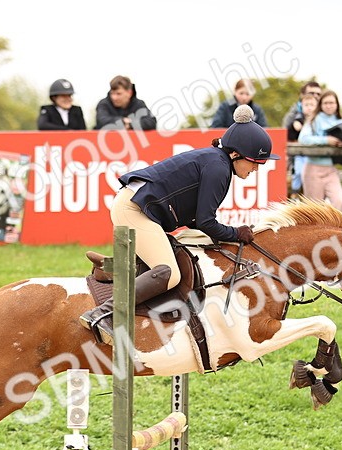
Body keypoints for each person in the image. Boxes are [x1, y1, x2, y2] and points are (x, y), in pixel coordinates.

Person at [78, 105, 277, 344]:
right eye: (254, 162)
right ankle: (103, 313)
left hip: (138, 207)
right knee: (168, 273)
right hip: (135, 210)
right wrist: (237, 233)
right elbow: (205, 221)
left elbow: (197, 220)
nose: (256, 169)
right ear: (235, 154)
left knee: (180, 252)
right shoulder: (218, 168)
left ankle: (115, 268)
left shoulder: (217, 161)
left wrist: (227, 233)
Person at [296, 90, 342, 213]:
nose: (329, 106)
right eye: (326, 103)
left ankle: (335, 232)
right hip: (313, 168)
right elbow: (303, 139)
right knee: (314, 211)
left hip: (331, 169)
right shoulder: (314, 120)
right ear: (321, 105)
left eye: (332, 103)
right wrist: (326, 140)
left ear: (337, 104)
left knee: (340, 202)